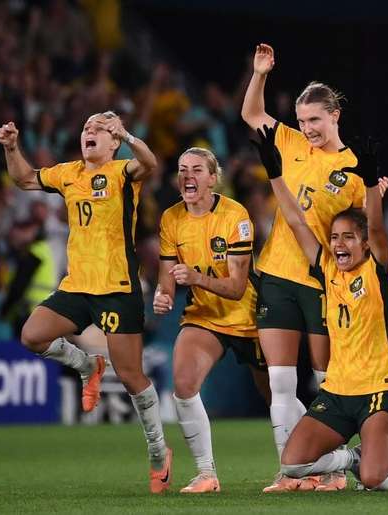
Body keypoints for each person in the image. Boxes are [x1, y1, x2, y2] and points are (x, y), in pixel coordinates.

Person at [0, 112, 172, 493]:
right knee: (32, 335)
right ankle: (86, 365)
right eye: (86, 127)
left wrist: (126, 133)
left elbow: (150, 163)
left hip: (118, 287)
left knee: (130, 377)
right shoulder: (68, 173)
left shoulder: (123, 171)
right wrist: (11, 147)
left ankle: (159, 450)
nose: (90, 131)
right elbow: (25, 178)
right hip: (78, 286)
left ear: (112, 143)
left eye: (100, 129)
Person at [241, 43, 387, 492]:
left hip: (323, 280)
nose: (308, 129)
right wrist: (260, 73)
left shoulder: (352, 164)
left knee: (327, 382)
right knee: (281, 383)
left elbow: (365, 235)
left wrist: (373, 190)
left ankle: (335, 470)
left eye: (316, 121)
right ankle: (290, 474)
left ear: (335, 116)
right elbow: (251, 114)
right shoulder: (287, 141)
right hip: (277, 275)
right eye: (303, 121)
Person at [253, 124, 388, 492]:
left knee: (374, 480)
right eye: (334, 237)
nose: (339, 244)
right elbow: (297, 219)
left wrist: (368, 186)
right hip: (336, 393)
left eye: (349, 237)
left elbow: (379, 228)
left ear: (364, 244)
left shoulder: (380, 270)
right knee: (293, 464)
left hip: (378, 390)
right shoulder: (327, 268)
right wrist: (276, 174)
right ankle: (351, 457)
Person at [154, 147, 270, 494]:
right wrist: (164, 294)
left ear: (212, 178)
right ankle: (206, 474)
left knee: (276, 395)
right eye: (182, 169)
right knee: (184, 383)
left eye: (196, 170)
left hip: (249, 317)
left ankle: (305, 468)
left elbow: (236, 288)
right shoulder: (171, 218)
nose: (188, 175)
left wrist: (195, 278)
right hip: (204, 316)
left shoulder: (236, 215)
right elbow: (167, 275)